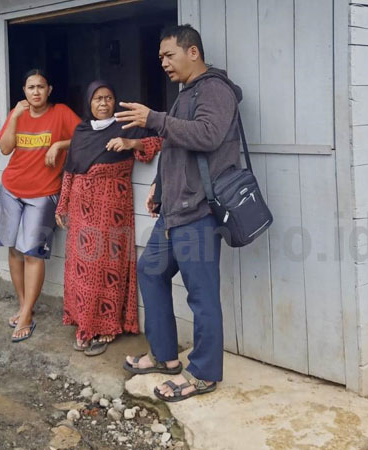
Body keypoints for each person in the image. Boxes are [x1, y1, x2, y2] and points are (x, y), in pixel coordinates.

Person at [116, 24, 242, 402]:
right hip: (174, 209)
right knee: (149, 270)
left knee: (202, 295)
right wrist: (159, 184)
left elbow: (207, 135)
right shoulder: (186, 92)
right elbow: (175, 144)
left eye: (169, 55)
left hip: (199, 212)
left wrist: (154, 118)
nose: (163, 63)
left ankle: (203, 373)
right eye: (160, 58)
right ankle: (166, 357)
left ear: (193, 52)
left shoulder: (216, 90)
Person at [55, 80, 162, 356]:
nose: (103, 103)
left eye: (109, 98)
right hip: (81, 208)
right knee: (82, 267)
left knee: (104, 266)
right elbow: (70, 171)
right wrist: (62, 205)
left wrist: (131, 142)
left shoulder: (126, 126)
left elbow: (160, 140)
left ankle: (104, 325)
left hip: (112, 207)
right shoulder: (81, 131)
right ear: (89, 103)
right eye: (98, 99)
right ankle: (84, 321)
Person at [0, 69, 81, 342]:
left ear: (49, 90)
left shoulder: (61, 113)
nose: (35, 92)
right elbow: (5, 149)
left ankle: (25, 314)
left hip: (43, 193)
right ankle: (25, 308)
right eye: (31, 87)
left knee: (32, 253)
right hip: (11, 189)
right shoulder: (17, 113)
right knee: (13, 249)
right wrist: (15, 118)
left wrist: (59, 145)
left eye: (41, 87)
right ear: (24, 90)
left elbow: (85, 136)